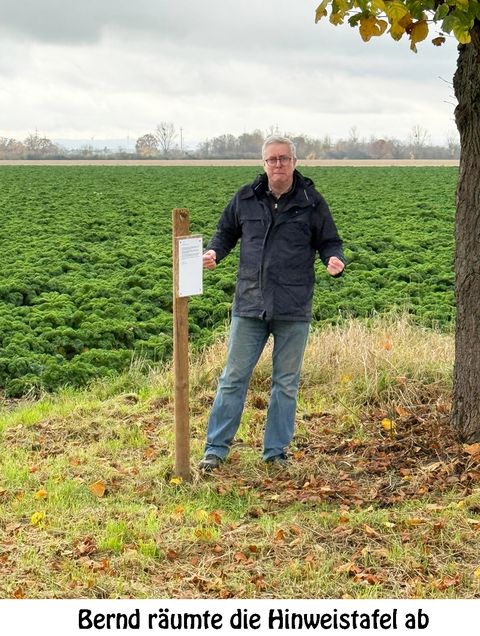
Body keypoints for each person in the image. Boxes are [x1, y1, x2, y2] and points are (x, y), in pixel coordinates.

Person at [199, 135, 345, 471]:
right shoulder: (245, 198)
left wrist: (333, 260)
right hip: (250, 303)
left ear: (294, 162)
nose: (278, 164)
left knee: (286, 383)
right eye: (272, 159)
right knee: (233, 378)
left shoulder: (311, 201)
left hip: (293, 307)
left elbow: (330, 241)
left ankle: (276, 452)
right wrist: (214, 252)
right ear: (263, 164)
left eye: (283, 158)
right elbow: (225, 233)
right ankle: (215, 449)